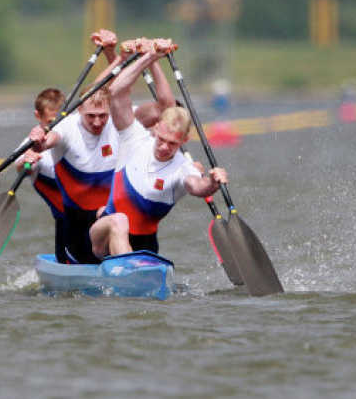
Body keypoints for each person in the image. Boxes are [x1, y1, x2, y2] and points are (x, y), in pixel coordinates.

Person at [89, 40, 228, 259]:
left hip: (145, 247)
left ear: (184, 140)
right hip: (103, 239)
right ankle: (126, 270)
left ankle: (130, 271)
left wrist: (213, 182)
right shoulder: (134, 138)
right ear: (156, 128)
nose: (164, 147)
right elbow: (115, 91)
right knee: (119, 219)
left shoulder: (183, 168)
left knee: (122, 223)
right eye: (161, 139)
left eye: (172, 143)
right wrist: (150, 57)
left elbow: (198, 187)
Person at [27, 32, 123, 264]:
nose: (98, 121)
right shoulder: (62, 129)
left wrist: (114, 52)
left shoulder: (93, 112)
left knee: (115, 220)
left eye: (102, 116)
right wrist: (37, 145)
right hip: (68, 213)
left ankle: (124, 268)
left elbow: (107, 84)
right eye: (92, 116)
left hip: (103, 211)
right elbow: (43, 144)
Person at [16, 88, 67, 262]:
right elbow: (21, 168)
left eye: (61, 120)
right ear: (38, 116)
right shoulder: (29, 144)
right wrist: (26, 161)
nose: (57, 127)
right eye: (51, 122)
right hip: (65, 222)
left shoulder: (71, 134)